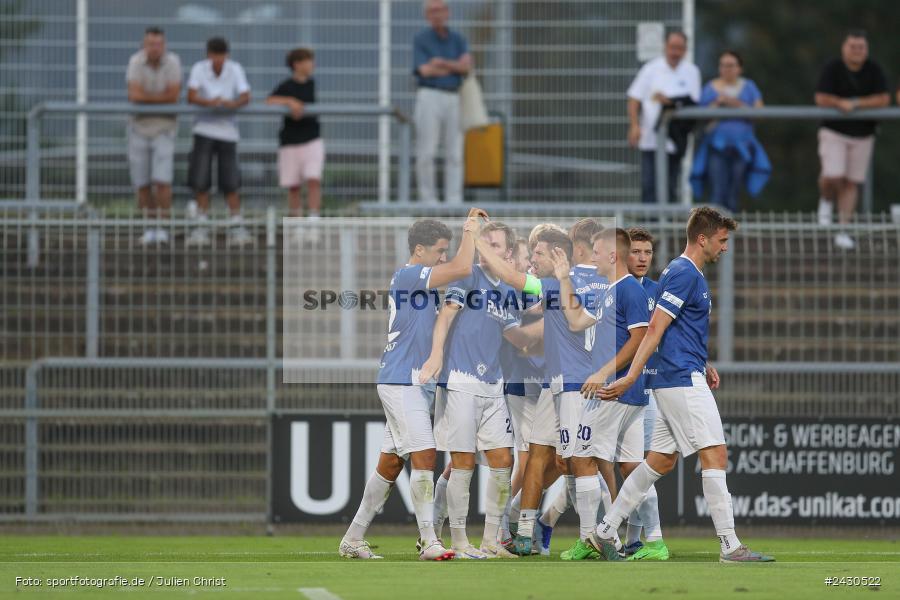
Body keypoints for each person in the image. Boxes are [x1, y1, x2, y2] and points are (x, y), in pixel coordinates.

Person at [588, 207, 775, 564]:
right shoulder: (684, 273)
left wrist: (702, 361)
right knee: (715, 454)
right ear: (702, 239)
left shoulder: (682, 272)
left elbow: (675, 331)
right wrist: (631, 376)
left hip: (680, 374)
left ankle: (605, 530)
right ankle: (730, 545)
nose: (725, 247)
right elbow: (655, 328)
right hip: (680, 379)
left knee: (659, 461)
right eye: (721, 240)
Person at [338, 209, 486, 561]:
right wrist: (471, 231)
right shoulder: (408, 275)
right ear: (419, 250)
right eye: (439, 250)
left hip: (413, 381)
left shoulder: (422, 285)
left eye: (446, 250)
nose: (443, 257)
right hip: (402, 378)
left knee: (390, 464)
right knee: (425, 454)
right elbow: (462, 268)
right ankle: (429, 540)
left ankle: (352, 538)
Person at [474, 224, 609, 558]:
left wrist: (478, 243)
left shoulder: (554, 283)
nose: (533, 258)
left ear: (560, 254)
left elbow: (510, 276)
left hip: (577, 384)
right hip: (557, 382)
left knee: (579, 462)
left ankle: (593, 536)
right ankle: (526, 531)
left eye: (538, 253)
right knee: (542, 454)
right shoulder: (603, 282)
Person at [420, 222, 539, 559]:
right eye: (484, 242)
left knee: (503, 459)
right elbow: (446, 316)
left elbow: (516, 336)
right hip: (461, 379)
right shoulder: (468, 275)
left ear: (508, 252)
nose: (487, 248)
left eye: (495, 244)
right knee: (462, 462)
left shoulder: (508, 292)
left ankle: (490, 540)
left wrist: (548, 327)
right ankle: (459, 541)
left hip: (493, 384)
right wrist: (436, 354)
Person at [814, 30, 889, 249]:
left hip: (863, 134)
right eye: (853, 46)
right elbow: (821, 97)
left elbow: (883, 98)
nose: (857, 51)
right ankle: (826, 200)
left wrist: (855, 104)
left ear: (866, 49)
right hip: (834, 131)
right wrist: (839, 104)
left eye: (861, 47)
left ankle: (843, 229)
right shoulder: (833, 68)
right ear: (844, 48)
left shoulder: (874, 69)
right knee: (832, 175)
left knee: (851, 182)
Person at [622, 227, 665, 559]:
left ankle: (637, 540)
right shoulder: (615, 290)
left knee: (640, 469)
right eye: (636, 251)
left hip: (651, 390)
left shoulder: (658, 291)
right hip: (619, 388)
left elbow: (672, 335)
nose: (642, 258)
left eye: (647, 252)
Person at [186, 37, 252, 247]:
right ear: (208, 55)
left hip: (228, 132)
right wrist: (210, 103)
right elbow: (191, 96)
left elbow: (245, 96)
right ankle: (201, 224)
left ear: (227, 55)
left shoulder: (235, 69)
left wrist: (230, 104)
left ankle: (236, 223)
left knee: (231, 180)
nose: (218, 60)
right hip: (203, 129)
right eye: (215, 55)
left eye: (222, 55)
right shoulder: (199, 69)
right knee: (201, 179)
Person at [627, 31, 701, 204]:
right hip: (651, 140)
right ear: (665, 47)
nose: (675, 52)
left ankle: (666, 221)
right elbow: (634, 98)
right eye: (672, 47)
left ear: (685, 50)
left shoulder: (692, 71)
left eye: (680, 48)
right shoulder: (650, 69)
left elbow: (692, 103)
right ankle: (649, 221)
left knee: (670, 186)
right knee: (649, 186)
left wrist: (668, 101)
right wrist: (634, 125)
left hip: (675, 141)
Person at [691, 50, 768, 212]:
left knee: (734, 191)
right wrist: (718, 104)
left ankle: (730, 226)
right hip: (717, 146)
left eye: (731, 65)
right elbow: (701, 115)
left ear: (740, 68)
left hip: (742, 147)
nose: (727, 69)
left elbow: (760, 112)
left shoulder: (749, 86)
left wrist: (734, 103)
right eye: (723, 65)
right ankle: (715, 226)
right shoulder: (710, 87)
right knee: (718, 190)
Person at [125, 27, 182, 246]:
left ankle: (163, 228)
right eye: (151, 44)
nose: (155, 48)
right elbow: (134, 94)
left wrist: (146, 99)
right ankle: (149, 228)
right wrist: (161, 99)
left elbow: (174, 95)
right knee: (141, 183)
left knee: (162, 181)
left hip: (165, 128)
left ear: (164, 45)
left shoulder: (173, 62)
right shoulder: (135, 62)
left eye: (159, 44)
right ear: (144, 45)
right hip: (138, 128)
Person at [413, 0, 472, 205]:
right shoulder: (421, 39)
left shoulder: (458, 39)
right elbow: (424, 71)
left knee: (455, 152)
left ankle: (454, 200)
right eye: (432, 11)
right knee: (426, 151)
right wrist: (453, 67)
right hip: (429, 95)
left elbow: (466, 67)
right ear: (427, 15)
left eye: (440, 10)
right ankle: (428, 200)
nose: (437, 14)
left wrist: (441, 63)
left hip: (454, 96)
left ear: (447, 12)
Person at [267, 47, 324, 242]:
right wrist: (289, 102)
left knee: (313, 179)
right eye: (308, 60)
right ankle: (297, 226)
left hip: (311, 139)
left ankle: (314, 223)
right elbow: (270, 100)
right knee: (293, 186)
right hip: (290, 142)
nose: (312, 64)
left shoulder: (312, 83)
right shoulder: (286, 85)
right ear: (297, 64)